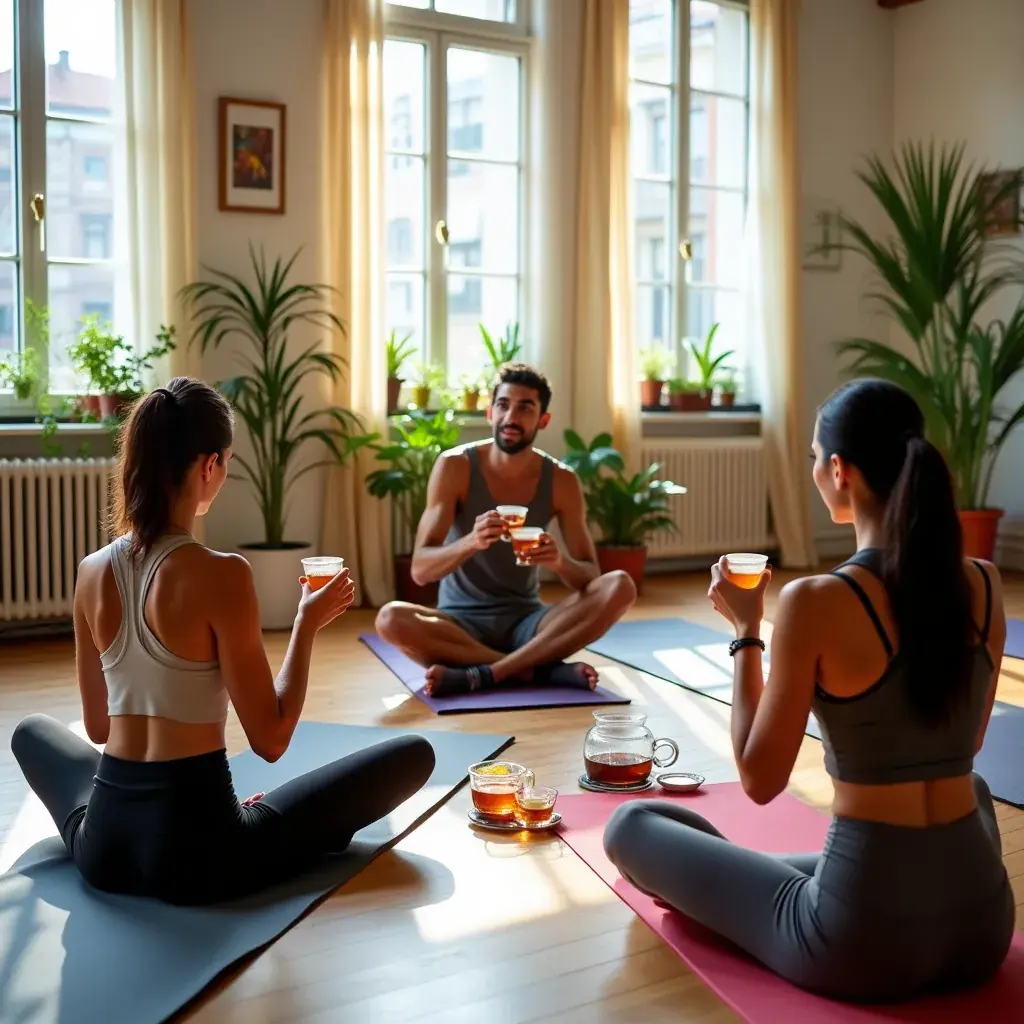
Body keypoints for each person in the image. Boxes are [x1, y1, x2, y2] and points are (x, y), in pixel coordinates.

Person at [603, 379, 1015, 1003]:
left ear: (840, 471)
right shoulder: (984, 583)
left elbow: (760, 781)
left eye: (815, 457)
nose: (815, 470)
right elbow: (969, 741)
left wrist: (746, 630)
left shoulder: (816, 600)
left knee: (632, 824)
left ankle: (759, 881)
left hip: (861, 942)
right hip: (983, 926)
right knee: (971, 785)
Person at [11, 377, 435, 906]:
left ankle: (121, 821)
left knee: (31, 732)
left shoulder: (90, 571)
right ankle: (259, 827)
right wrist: (305, 626)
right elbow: (271, 740)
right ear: (209, 465)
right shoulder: (223, 575)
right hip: (202, 857)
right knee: (414, 754)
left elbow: (98, 728)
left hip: (104, 847)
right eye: (226, 462)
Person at [375, 363, 636, 696]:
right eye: (503, 405)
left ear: (543, 420)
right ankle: (536, 671)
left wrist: (558, 562)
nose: (511, 416)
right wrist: (471, 541)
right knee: (390, 619)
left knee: (621, 586)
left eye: (525, 408)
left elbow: (590, 578)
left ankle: (491, 672)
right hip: (459, 627)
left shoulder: (561, 480)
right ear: (489, 413)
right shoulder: (455, 467)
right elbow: (420, 571)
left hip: (529, 623)